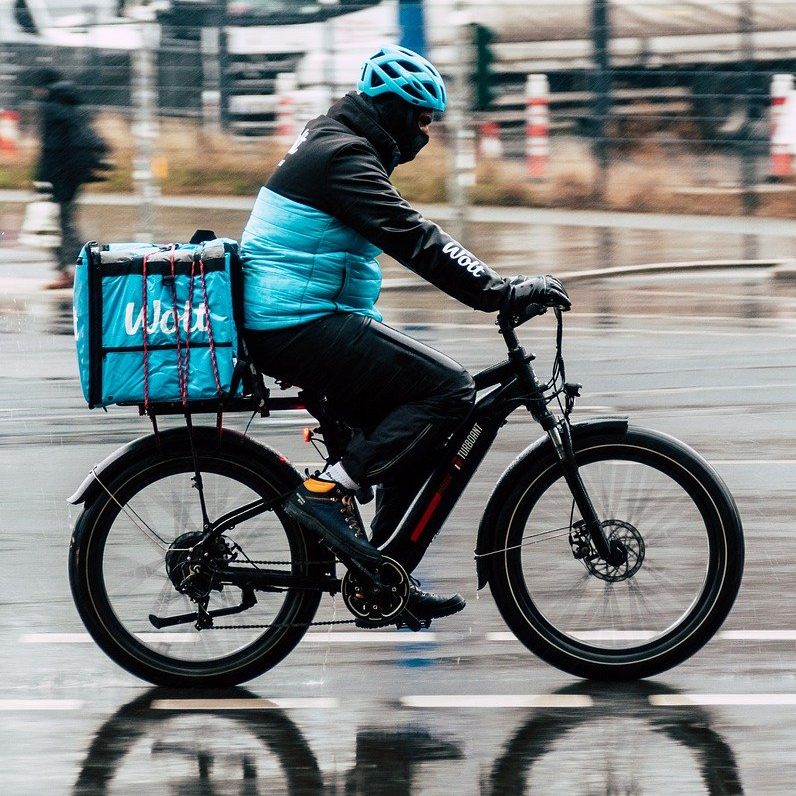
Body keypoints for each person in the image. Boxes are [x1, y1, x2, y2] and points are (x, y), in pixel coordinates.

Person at [240, 45, 570, 621]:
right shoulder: (341, 157)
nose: (424, 133)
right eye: (419, 118)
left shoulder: (340, 142)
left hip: (304, 317)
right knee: (448, 390)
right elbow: (414, 237)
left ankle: (383, 571)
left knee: (419, 433)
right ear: (389, 107)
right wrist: (499, 291)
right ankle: (330, 489)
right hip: (297, 324)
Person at [32, 68, 109, 289]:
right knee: (64, 225)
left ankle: (81, 269)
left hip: (58, 178)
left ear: (43, 88)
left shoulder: (50, 110)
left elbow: (51, 150)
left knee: (56, 227)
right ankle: (84, 267)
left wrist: (42, 181)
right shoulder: (73, 109)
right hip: (74, 177)